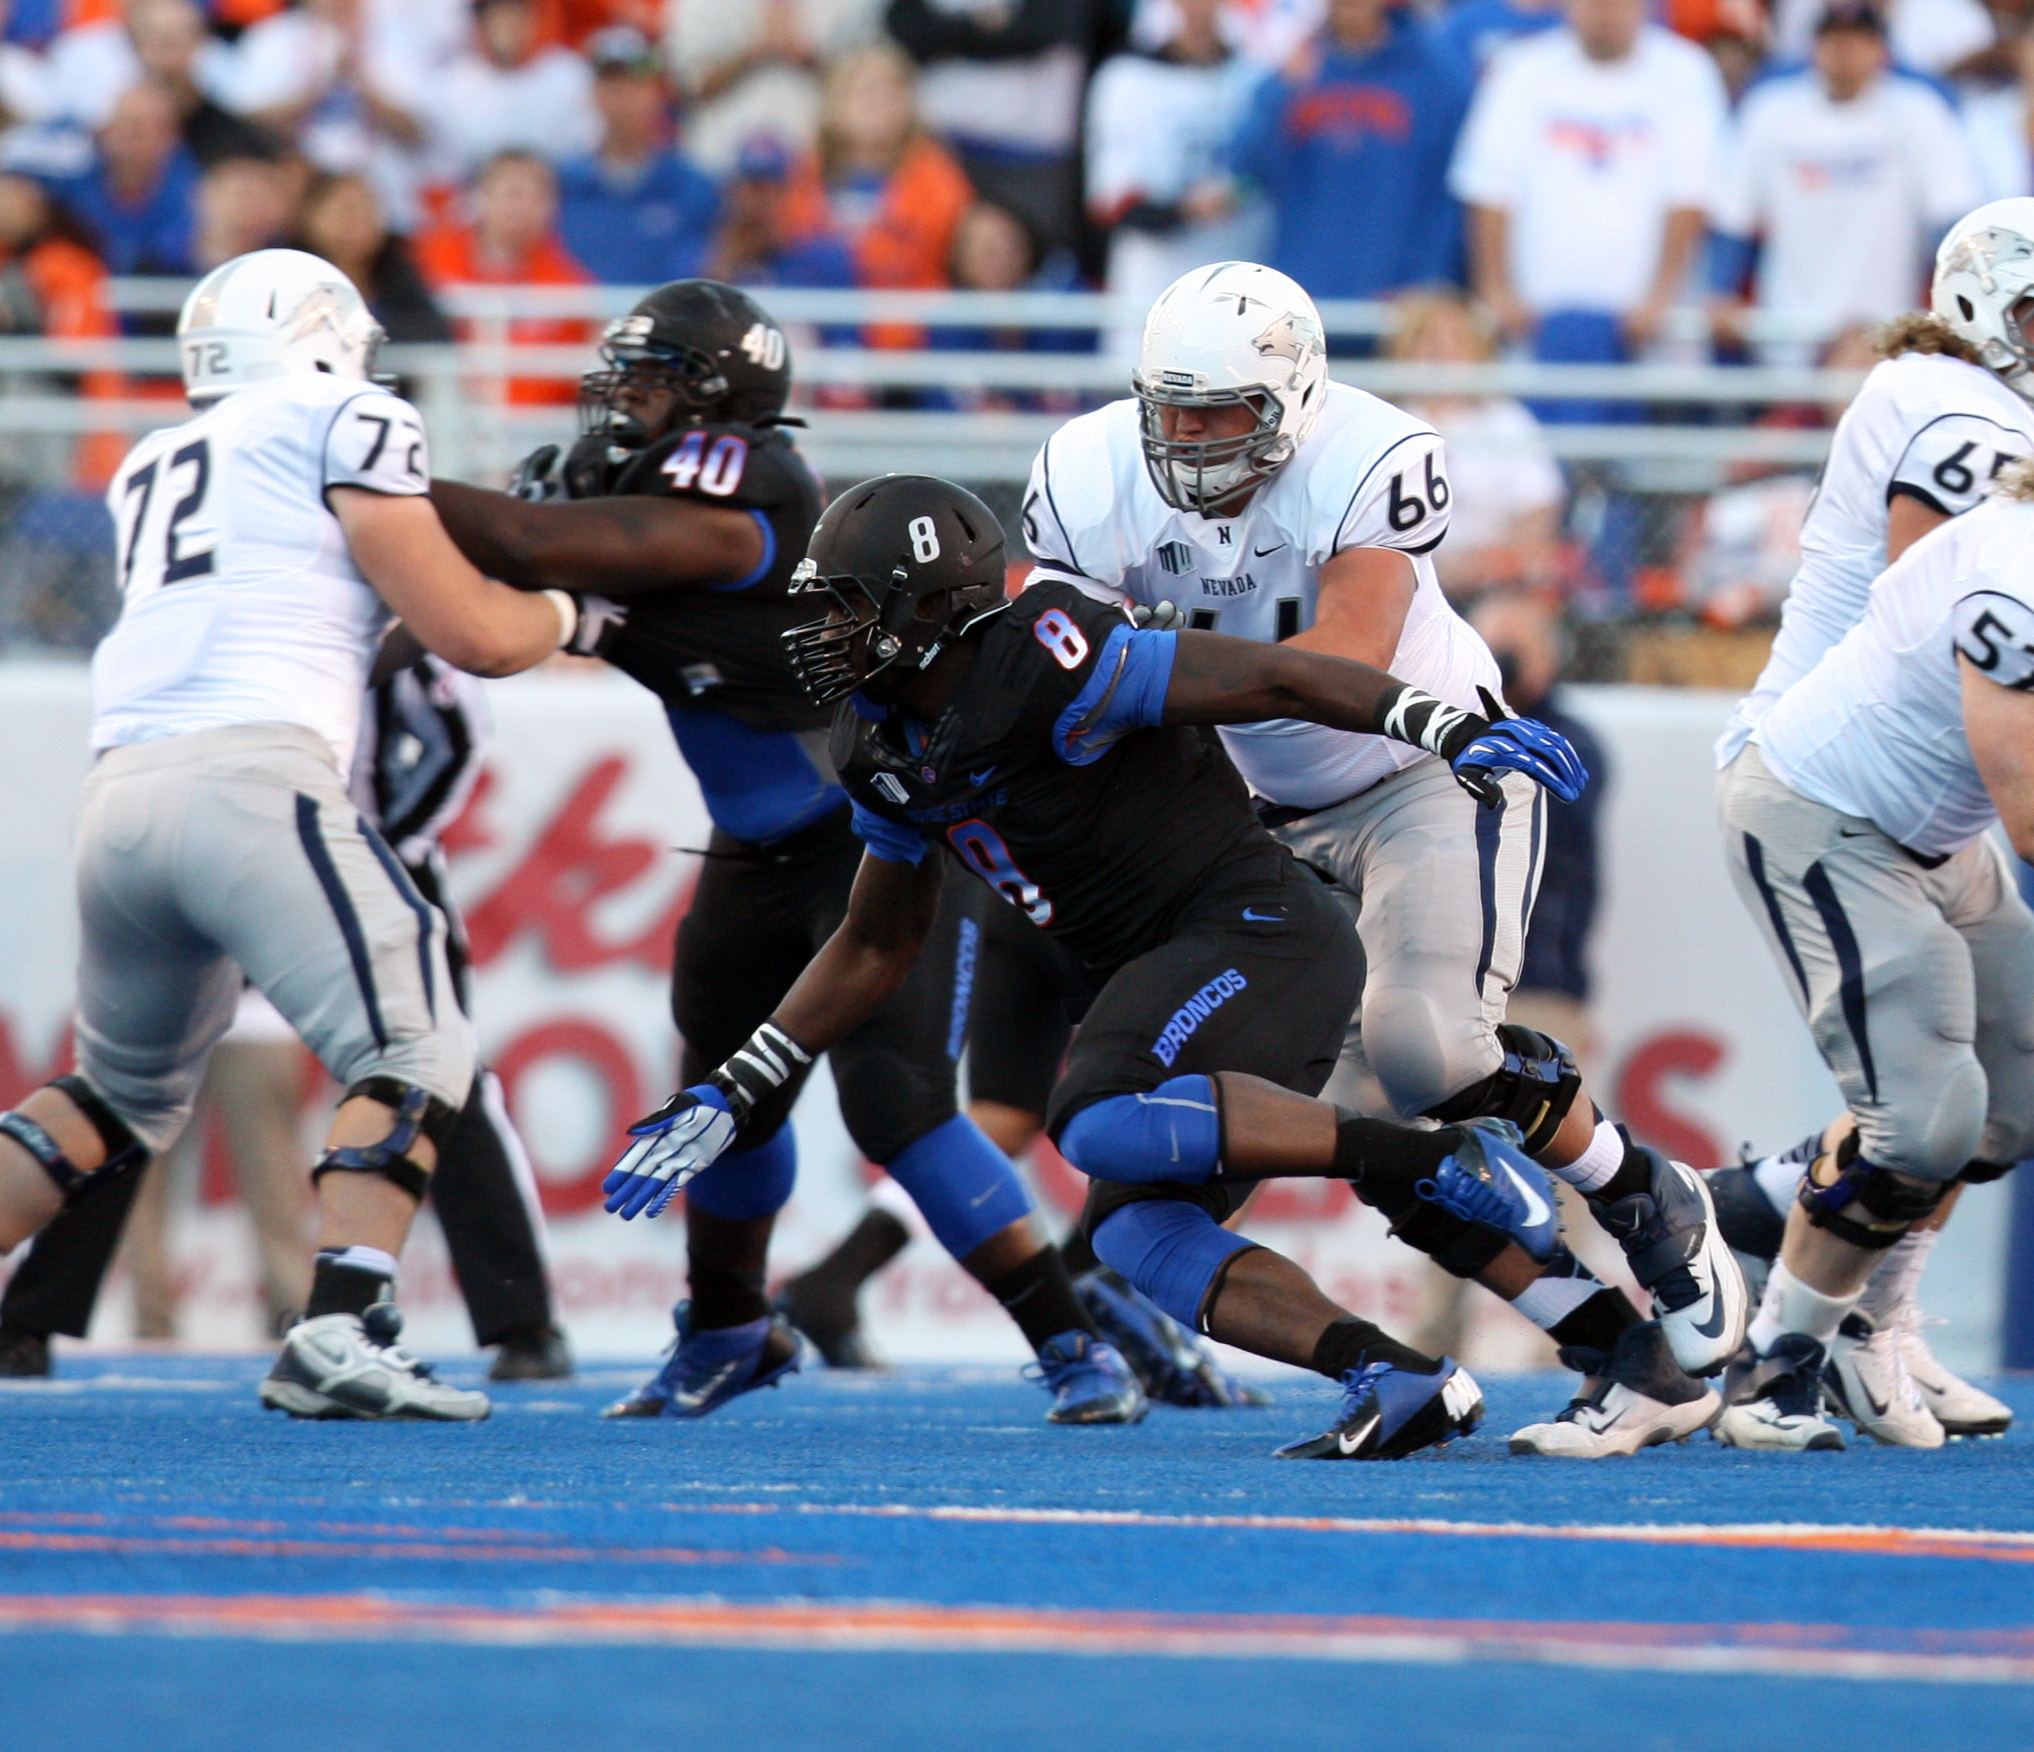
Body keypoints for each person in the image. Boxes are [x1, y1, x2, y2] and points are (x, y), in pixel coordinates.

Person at [602, 471, 1593, 1461]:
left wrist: (1435, 719)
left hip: (1257, 931)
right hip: (1171, 965)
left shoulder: (1049, 659)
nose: (824, 631)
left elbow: (1272, 677)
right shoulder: (875, 736)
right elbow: (875, 941)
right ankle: (1398, 1376)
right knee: (1134, 1237)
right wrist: (740, 1084)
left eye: (849, 606)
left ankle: (1433, 1160)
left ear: (932, 605)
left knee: (1091, 1114)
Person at [1015, 261, 1745, 1458]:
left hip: (1417, 771)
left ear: (1295, 400)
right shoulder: (1088, 473)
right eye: (1172, 410)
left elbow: (1341, 663)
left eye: (1223, 414)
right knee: (1148, 1211)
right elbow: (1054, 679)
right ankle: (1615, 1351)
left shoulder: (1369, 454)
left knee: (1426, 1053)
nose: (1191, 442)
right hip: (1247, 823)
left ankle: (1637, 1187)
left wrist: (1142, 679)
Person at [425, 279, 1149, 1425]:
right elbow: (509, 585)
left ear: (716, 405)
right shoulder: (645, 489)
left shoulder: (742, 499)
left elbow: (526, 541)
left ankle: (1072, 1347)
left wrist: (366, 480)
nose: (623, 405)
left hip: (868, 850)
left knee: (897, 1110)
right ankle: (725, 1331)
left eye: (651, 382)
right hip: (748, 859)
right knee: (719, 1103)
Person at [0, 247, 601, 1419]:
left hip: (120, 791)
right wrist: (577, 610)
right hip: (256, 778)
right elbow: (468, 632)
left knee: (113, 1096)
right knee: (420, 1042)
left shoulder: (152, 457)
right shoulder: (345, 413)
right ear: (317, 332)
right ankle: (340, 1323)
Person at [0, 654, 575, 1382]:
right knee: (417, 1058)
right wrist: (565, 616)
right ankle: (32, 1316)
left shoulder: (303, 589)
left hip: (246, 831)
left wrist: (390, 840)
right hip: (241, 832)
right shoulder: (313, 588)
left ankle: (516, 1319)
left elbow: (455, 721)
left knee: (131, 1084)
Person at [1704, 200, 2034, 1445]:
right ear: (1980, 314)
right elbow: (1958, 618)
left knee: (2008, 1099)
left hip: (1927, 796)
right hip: (1838, 778)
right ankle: (1802, 1327)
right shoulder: (1965, 421)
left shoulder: (1964, 408)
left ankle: (1832, 1269)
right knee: (1925, 1114)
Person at [1450, 0, 1727, 356]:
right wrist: (1496, 289)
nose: (1604, 11)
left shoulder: (1685, 71)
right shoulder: (1522, 67)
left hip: (1648, 328)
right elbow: (1489, 186)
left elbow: (1691, 193)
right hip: (1534, 321)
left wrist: (1661, 294)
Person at [1709, 3, 1980, 362]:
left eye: (1858, 42)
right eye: (1834, 41)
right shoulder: (1772, 110)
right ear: (1814, 47)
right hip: (1790, 331)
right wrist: (1720, 290)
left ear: (1880, 49)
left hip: (1887, 333)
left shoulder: (1918, 112)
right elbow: (1735, 214)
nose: (1845, 53)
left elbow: (1949, 219)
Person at [1233, 0, 1474, 302]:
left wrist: (1431, 277)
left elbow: (1457, 194)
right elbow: (1246, 170)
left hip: (1403, 301)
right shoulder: (1294, 69)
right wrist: (1283, 91)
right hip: (1303, 295)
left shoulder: (1439, 76)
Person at [1083, 0, 1263, 341]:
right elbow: (1110, 200)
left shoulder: (1256, 78)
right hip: (1154, 288)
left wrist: (1241, 192)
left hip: (1243, 283)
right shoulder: (1127, 81)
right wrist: (1185, 209)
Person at [884, 0, 1096, 260]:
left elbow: (1042, 29)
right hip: (941, 154)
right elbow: (907, 29)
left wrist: (951, 38)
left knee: (1037, 269)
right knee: (935, 263)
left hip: (1034, 162)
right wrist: (985, 26)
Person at [1388, 290, 1563, 599]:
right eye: (1428, 341)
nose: (1440, 354)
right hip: (1397, 582)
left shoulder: (1506, 420)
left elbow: (1538, 509)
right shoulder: (1384, 420)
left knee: (1511, 618)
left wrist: (1490, 564)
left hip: (1491, 582)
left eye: (1456, 342)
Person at [224, 0, 432, 232]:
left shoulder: (397, 39)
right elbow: (245, 127)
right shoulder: (271, 38)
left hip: (384, 206)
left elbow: (418, 133)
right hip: (298, 207)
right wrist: (319, 88)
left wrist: (360, 80)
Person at [414, 150, 590, 405]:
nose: (522, 206)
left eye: (537, 195)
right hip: (442, 418)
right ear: (481, 196)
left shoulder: (569, 283)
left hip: (532, 426)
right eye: (513, 193)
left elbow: (568, 377)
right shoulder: (428, 260)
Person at [554, 27, 719, 286]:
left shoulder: (692, 185)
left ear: (655, 93)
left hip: (665, 323)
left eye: (634, 83)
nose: (622, 95)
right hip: (582, 323)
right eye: (610, 83)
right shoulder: (564, 183)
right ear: (593, 94)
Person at [666, 0, 885, 177]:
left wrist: (803, 54)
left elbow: (872, 87)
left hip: (816, 169)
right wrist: (756, 49)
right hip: (721, 165)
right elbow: (690, 85)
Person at [43, 76, 201, 274]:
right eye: (123, 123)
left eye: (145, 126)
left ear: (172, 135)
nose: (131, 133)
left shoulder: (196, 193)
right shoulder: (69, 185)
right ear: (104, 131)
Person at [432, 0, 600, 179]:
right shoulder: (452, 83)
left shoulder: (569, 75)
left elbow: (585, 151)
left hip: (557, 194)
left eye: (517, 13)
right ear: (481, 22)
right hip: (477, 198)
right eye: (499, 14)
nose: (508, 24)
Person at [297, 170, 450, 342]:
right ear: (309, 215)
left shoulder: (397, 273)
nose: (354, 223)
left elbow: (430, 335)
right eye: (345, 210)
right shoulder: (289, 272)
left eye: (366, 210)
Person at [129, 0, 281, 170]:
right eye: (160, 43)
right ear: (136, 47)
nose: (171, 58)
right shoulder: (116, 131)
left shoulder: (235, 136)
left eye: (178, 42)